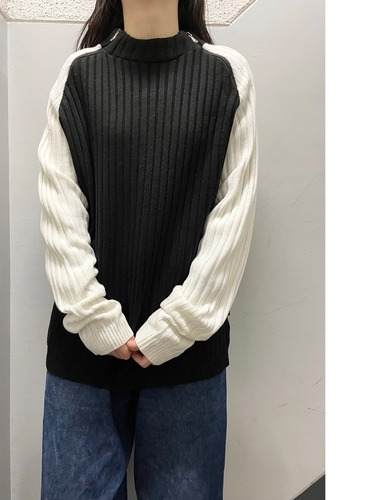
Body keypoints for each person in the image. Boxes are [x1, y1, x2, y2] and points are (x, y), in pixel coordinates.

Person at [37, 0, 258, 498]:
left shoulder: (227, 74)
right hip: (84, 357)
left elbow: (233, 219)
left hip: (189, 358)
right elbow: (59, 211)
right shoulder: (78, 74)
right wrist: (97, 320)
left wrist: (176, 328)